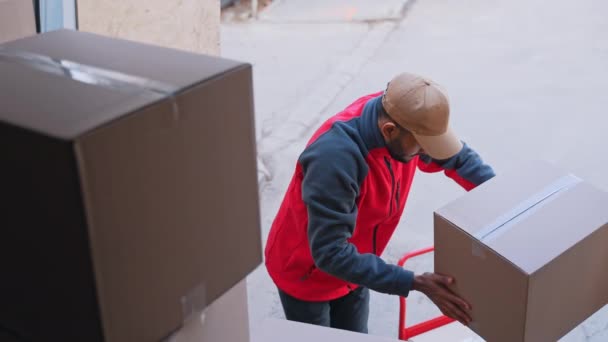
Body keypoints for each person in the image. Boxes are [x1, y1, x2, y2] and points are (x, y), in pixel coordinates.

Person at [264, 72, 495, 333]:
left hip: (357, 264)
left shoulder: (402, 119)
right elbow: (330, 253)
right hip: (307, 274)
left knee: (355, 334)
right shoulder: (335, 160)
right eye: (421, 148)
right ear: (389, 131)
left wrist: (504, 197)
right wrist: (414, 282)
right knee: (320, 336)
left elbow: (457, 158)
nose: (426, 154)